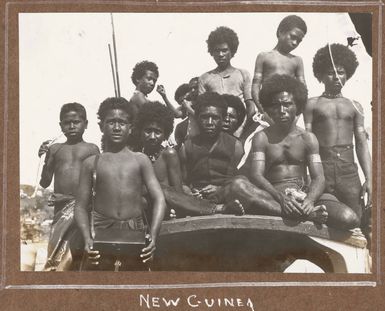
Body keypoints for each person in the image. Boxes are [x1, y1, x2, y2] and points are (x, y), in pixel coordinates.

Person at [235, 74, 360, 229]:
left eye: (287, 104)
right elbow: (256, 175)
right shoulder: (262, 137)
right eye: (275, 105)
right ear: (268, 108)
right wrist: (281, 198)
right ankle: (308, 215)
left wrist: (310, 200)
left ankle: (302, 211)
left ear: (298, 107)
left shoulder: (308, 138)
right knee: (238, 185)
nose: (282, 110)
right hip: (273, 196)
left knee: (349, 218)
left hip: (303, 193)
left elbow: (319, 177)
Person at [75, 97, 166, 271]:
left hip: (135, 232)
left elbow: (159, 198)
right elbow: (80, 207)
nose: (117, 127)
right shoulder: (91, 163)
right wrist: (87, 238)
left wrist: (153, 236)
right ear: (101, 126)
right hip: (100, 232)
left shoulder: (141, 160)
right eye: (111, 122)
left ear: (131, 128)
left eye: (122, 122)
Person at [304, 43, 372, 234]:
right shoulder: (312, 104)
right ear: (320, 75)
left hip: (348, 171)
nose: (336, 77)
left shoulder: (355, 106)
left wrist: (369, 178)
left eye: (341, 72)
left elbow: (361, 143)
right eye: (330, 73)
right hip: (322, 167)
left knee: (358, 221)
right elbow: (308, 141)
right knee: (322, 220)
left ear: (347, 74)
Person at [135, 101, 223, 217]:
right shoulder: (136, 157)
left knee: (162, 189)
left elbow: (177, 192)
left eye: (157, 132)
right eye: (148, 131)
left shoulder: (168, 154)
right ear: (140, 131)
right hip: (145, 208)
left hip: (167, 205)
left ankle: (214, 208)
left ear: (165, 134)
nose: (152, 137)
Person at [38, 103, 100, 270]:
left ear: (86, 124)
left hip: (84, 207)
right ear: (61, 125)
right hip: (62, 209)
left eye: (77, 122)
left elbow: (99, 180)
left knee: (77, 250)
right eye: (67, 123)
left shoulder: (92, 149)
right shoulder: (55, 149)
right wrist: (45, 159)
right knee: (57, 248)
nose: (72, 126)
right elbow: (44, 182)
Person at [179, 92, 245, 214]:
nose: (209, 122)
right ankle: (209, 208)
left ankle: (222, 207)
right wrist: (191, 192)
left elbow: (239, 178)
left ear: (223, 118)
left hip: (227, 198)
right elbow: (184, 182)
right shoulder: (187, 146)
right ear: (197, 117)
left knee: (240, 185)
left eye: (215, 118)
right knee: (168, 190)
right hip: (197, 200)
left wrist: (221, 189)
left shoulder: (235, 145)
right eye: (204, 117)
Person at [198, 26, 255, 128]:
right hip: (215, 131)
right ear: (211, 52)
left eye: (224, 50)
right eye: (217, 51)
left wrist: (244, 131)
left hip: (239, 129)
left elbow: (250, 107)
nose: (221, 54)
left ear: (232, 51)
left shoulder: (243, 74)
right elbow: (201, 109)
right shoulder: (204, 78)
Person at [251, 15, 307, 119]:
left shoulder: (297, 61)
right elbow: (255, 86)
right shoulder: (264, 56)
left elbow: (303, 90)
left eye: (299, 41)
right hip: (268, 108)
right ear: (281, 32)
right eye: (293, 37)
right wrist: (262, 110)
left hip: (288, 111)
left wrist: (297, 114)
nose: (295, 43)